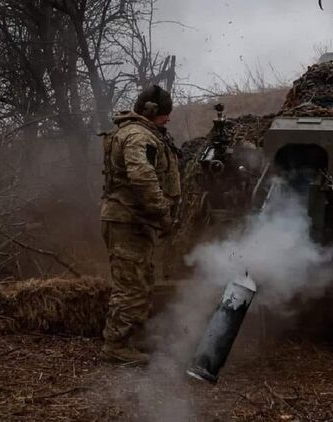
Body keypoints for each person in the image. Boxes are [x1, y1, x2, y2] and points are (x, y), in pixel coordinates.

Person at [99, 85, 181, 365]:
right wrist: (163, 213)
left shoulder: (142, 133)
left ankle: (133, 337)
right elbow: (142, 178)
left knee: (141, 281)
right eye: (165, 114)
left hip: (134, 221)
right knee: (130, 286)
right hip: (127, 220)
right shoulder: (136, 136)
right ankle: (116, 345)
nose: (168, 119)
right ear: (151, 111)